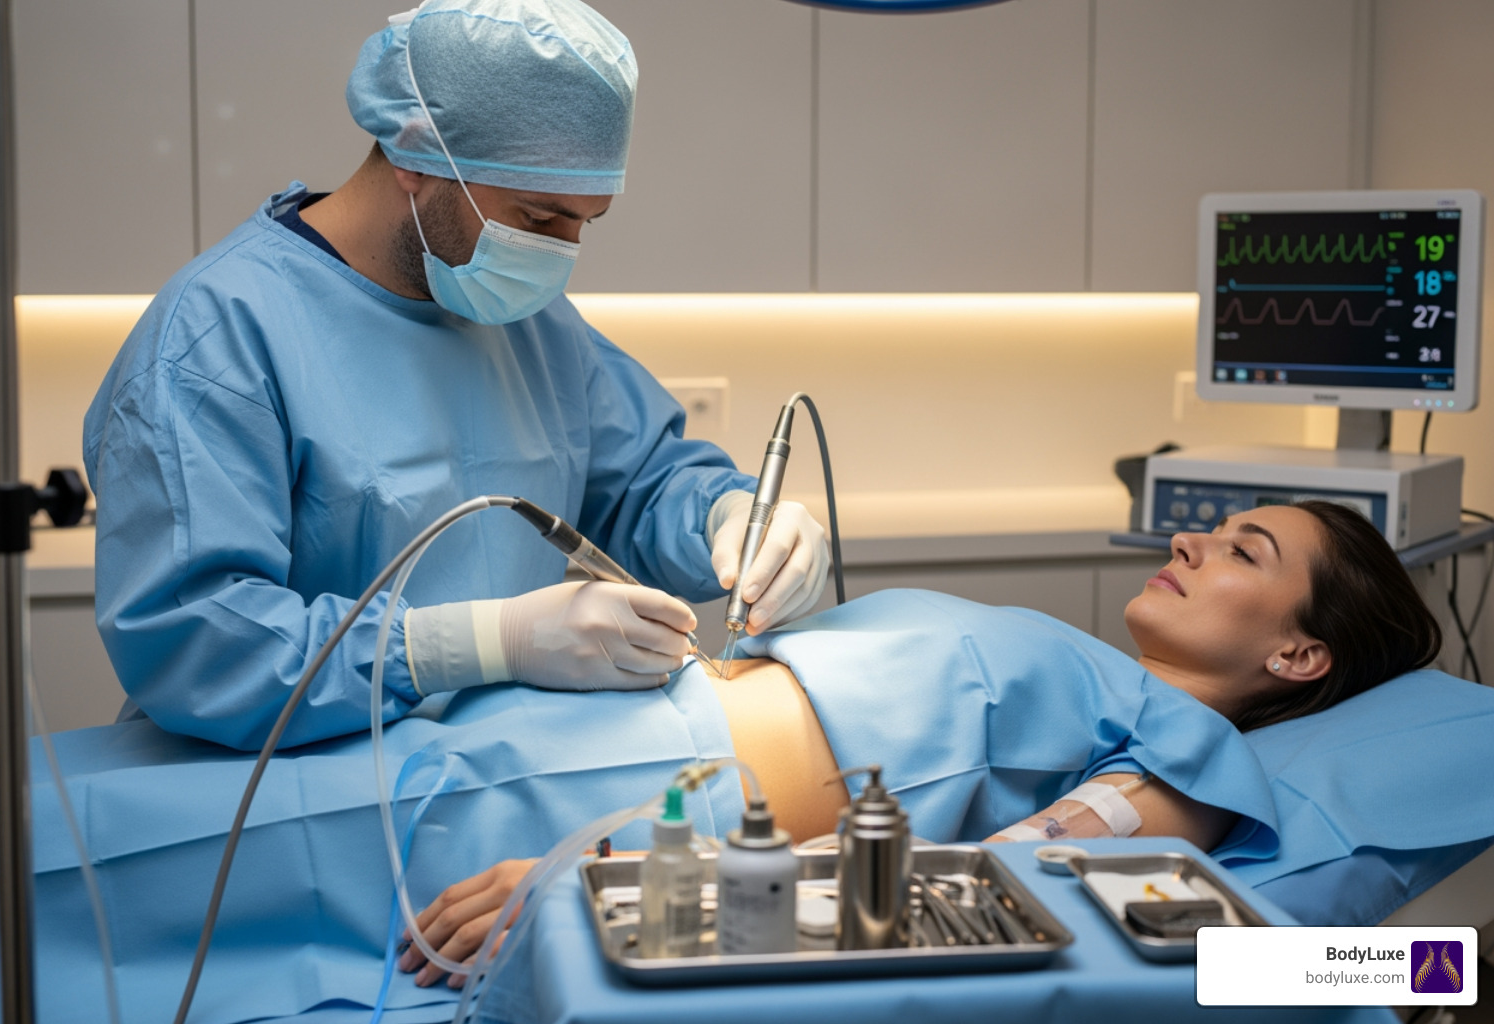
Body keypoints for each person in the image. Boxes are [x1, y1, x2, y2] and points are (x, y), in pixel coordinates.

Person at [81, 0, 829, 752]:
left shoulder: (530, 324)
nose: (563, 253)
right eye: (539, 219)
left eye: (585, 222)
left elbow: (642, 482)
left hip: (486, 789)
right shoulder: (218, 336)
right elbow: (196, 640)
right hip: (281, 801)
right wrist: (470, 643)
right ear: (414, 155)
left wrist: (732, 519)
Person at [393, 501, 1442, 988]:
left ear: (1302, 656)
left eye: (1240, 551)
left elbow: (972, 883)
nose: (1188, 539)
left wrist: (620, 881)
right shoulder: (1098, 671)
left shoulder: (1186, 763)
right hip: (553, 722)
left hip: (608, 808)